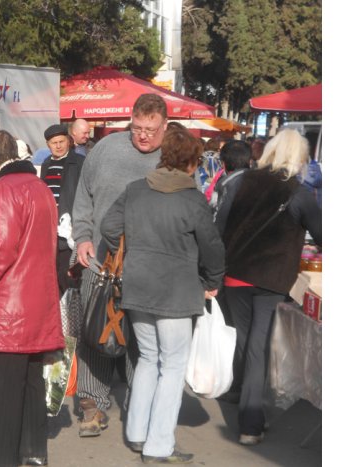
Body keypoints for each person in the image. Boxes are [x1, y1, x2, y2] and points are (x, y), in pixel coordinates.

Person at [100, 128, 224, 464]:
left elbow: (110, 228)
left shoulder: (136, 190)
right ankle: (158, 445)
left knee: (149, 360)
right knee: (171, 366)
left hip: (138, 286)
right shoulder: (193, 198)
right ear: (191, 162)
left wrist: (132, 254)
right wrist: (213, 279)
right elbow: (212, 245)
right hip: (177, 292)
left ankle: (138, 434)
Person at [0, 130, 64, 467]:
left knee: (0, 403)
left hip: (7, 313)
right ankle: (33, 455)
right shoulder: (39, 187)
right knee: (30, 390)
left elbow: (0, 251)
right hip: (37, 304)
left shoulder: (5, 189)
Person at [72, 93, 167, 438]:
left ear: (164, 125)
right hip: (99, 259)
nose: (143, 136)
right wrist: (82, 236)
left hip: (148, 266)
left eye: (151, 129)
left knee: (141, 341)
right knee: (95, 330)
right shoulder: (106, 149)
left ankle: (138, 407)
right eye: (137, 128)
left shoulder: (172, 155)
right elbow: (83, 197)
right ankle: (91, 404)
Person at [219, 128, 322, 446]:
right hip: (271, 280)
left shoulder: (241, 182)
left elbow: (220, 225)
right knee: (257, 347)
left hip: (234, 274)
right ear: (299, 158)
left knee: (246, 339)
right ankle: (250, 423)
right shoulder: (299, 192)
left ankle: (239, 394)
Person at [40, 124, 84, 294]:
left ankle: (70, 317)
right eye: (54, 143)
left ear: (69, 141)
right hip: (50, 231)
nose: (58, 146)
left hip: (70, 231)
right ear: (48, 144)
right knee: (53, 279)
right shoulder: (46, 164)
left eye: (61, 141)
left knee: (68, 278)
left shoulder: (79, 163)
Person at [212, 140, 252, 236]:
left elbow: (218, 219)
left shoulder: (224, 185)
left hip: (229, 241)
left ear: (223, 163)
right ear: (250, 161)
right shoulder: (262, 181)